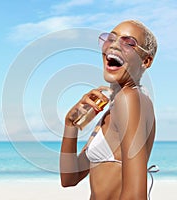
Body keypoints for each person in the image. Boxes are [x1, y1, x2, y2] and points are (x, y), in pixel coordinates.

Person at [60, 20, 158, 200]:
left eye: (128, 43)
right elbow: (69, 178)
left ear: (146, 61)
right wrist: (71, 124)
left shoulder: (129, 99)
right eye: (111, 39)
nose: (114, 45)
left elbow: (136, 196)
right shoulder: (113, 109)